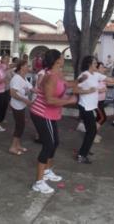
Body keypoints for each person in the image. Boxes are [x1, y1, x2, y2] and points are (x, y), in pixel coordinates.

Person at [30, 49, 77, 194]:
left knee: (55, 142)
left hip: (51, 114)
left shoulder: (58, 73)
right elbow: (49, 99)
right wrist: (68, 100)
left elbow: (67, 84)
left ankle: (47, 171)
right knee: (49, 144)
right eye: (62, 57)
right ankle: (38, 182)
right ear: (57, 60)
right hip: (42, 113)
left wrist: (83, 84)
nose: (64, 59)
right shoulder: (50, 76)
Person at [75, 56, 104, 164]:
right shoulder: (84, 75)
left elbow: (109, 80)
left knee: (91, 131)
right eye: (95, 62)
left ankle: (85, 151)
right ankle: (82, 155)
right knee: (92, 130)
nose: (97, 64)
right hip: (85, 107)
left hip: (90, 107)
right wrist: (88, 91)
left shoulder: (95, 75)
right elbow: (75, 89)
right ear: (89, 64)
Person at [8, 60, 33, 155]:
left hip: (22, 105)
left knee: (21, 125)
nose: (28, 67)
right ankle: (13, 147)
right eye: (27, 65)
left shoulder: (24, 77)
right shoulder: (16, 78)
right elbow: (12, 93)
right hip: (17, 106)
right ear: (21, 67)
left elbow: (31, 88)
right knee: (20, 126)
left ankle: (18, 145)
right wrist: (25, 100)